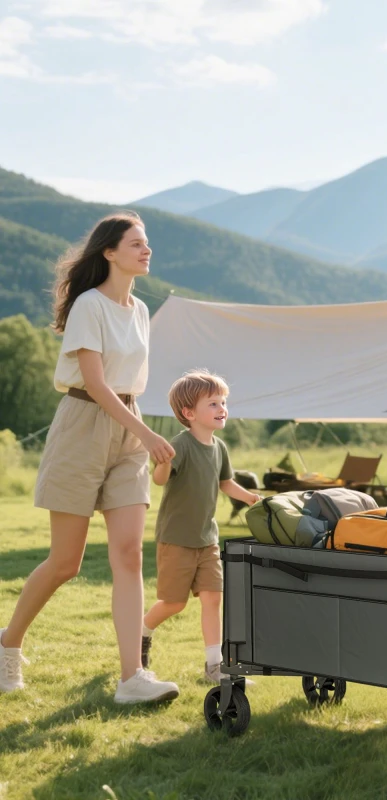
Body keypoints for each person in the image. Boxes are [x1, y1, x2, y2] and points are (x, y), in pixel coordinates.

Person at [0, 212, 180, 704]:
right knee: (65, 562)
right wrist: (147, 433)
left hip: (128, 427)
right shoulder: (88, 305)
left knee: (128, 554)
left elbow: (126, 384)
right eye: (137, 244)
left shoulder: (140, 310)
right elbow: (96, 384)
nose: (147, 251)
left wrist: (139, 431)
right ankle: (7, 644)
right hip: (84, 423)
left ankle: (131, 679)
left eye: (147, 244)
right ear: (109, 252)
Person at [140, 369, 260, 683]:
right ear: (189, 413)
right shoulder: (180, 445)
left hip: (207, 539)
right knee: (174, 603)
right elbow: (160, 480)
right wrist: (163, 461)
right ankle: (142, 631)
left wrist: (250, 498)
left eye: (223, 402)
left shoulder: (219, 448)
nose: (222, 408)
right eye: (213, 403)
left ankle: (214, 666)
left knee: (212, 597)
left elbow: (226, 482)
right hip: (177, 539)